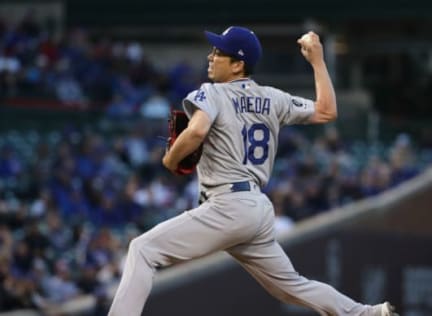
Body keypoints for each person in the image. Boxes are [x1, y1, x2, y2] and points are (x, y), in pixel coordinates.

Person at [108, 26, 398, 316]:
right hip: (256, 209)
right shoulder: (273, 98)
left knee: (142, 250)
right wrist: (318, 61)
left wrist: (171, 159)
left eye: (219, 52)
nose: (210, 56)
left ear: (238, 64)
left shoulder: (212, 92)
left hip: (227, 205)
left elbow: (196, 131)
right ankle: (368, 314)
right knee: (291, 286)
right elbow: (326, 111)